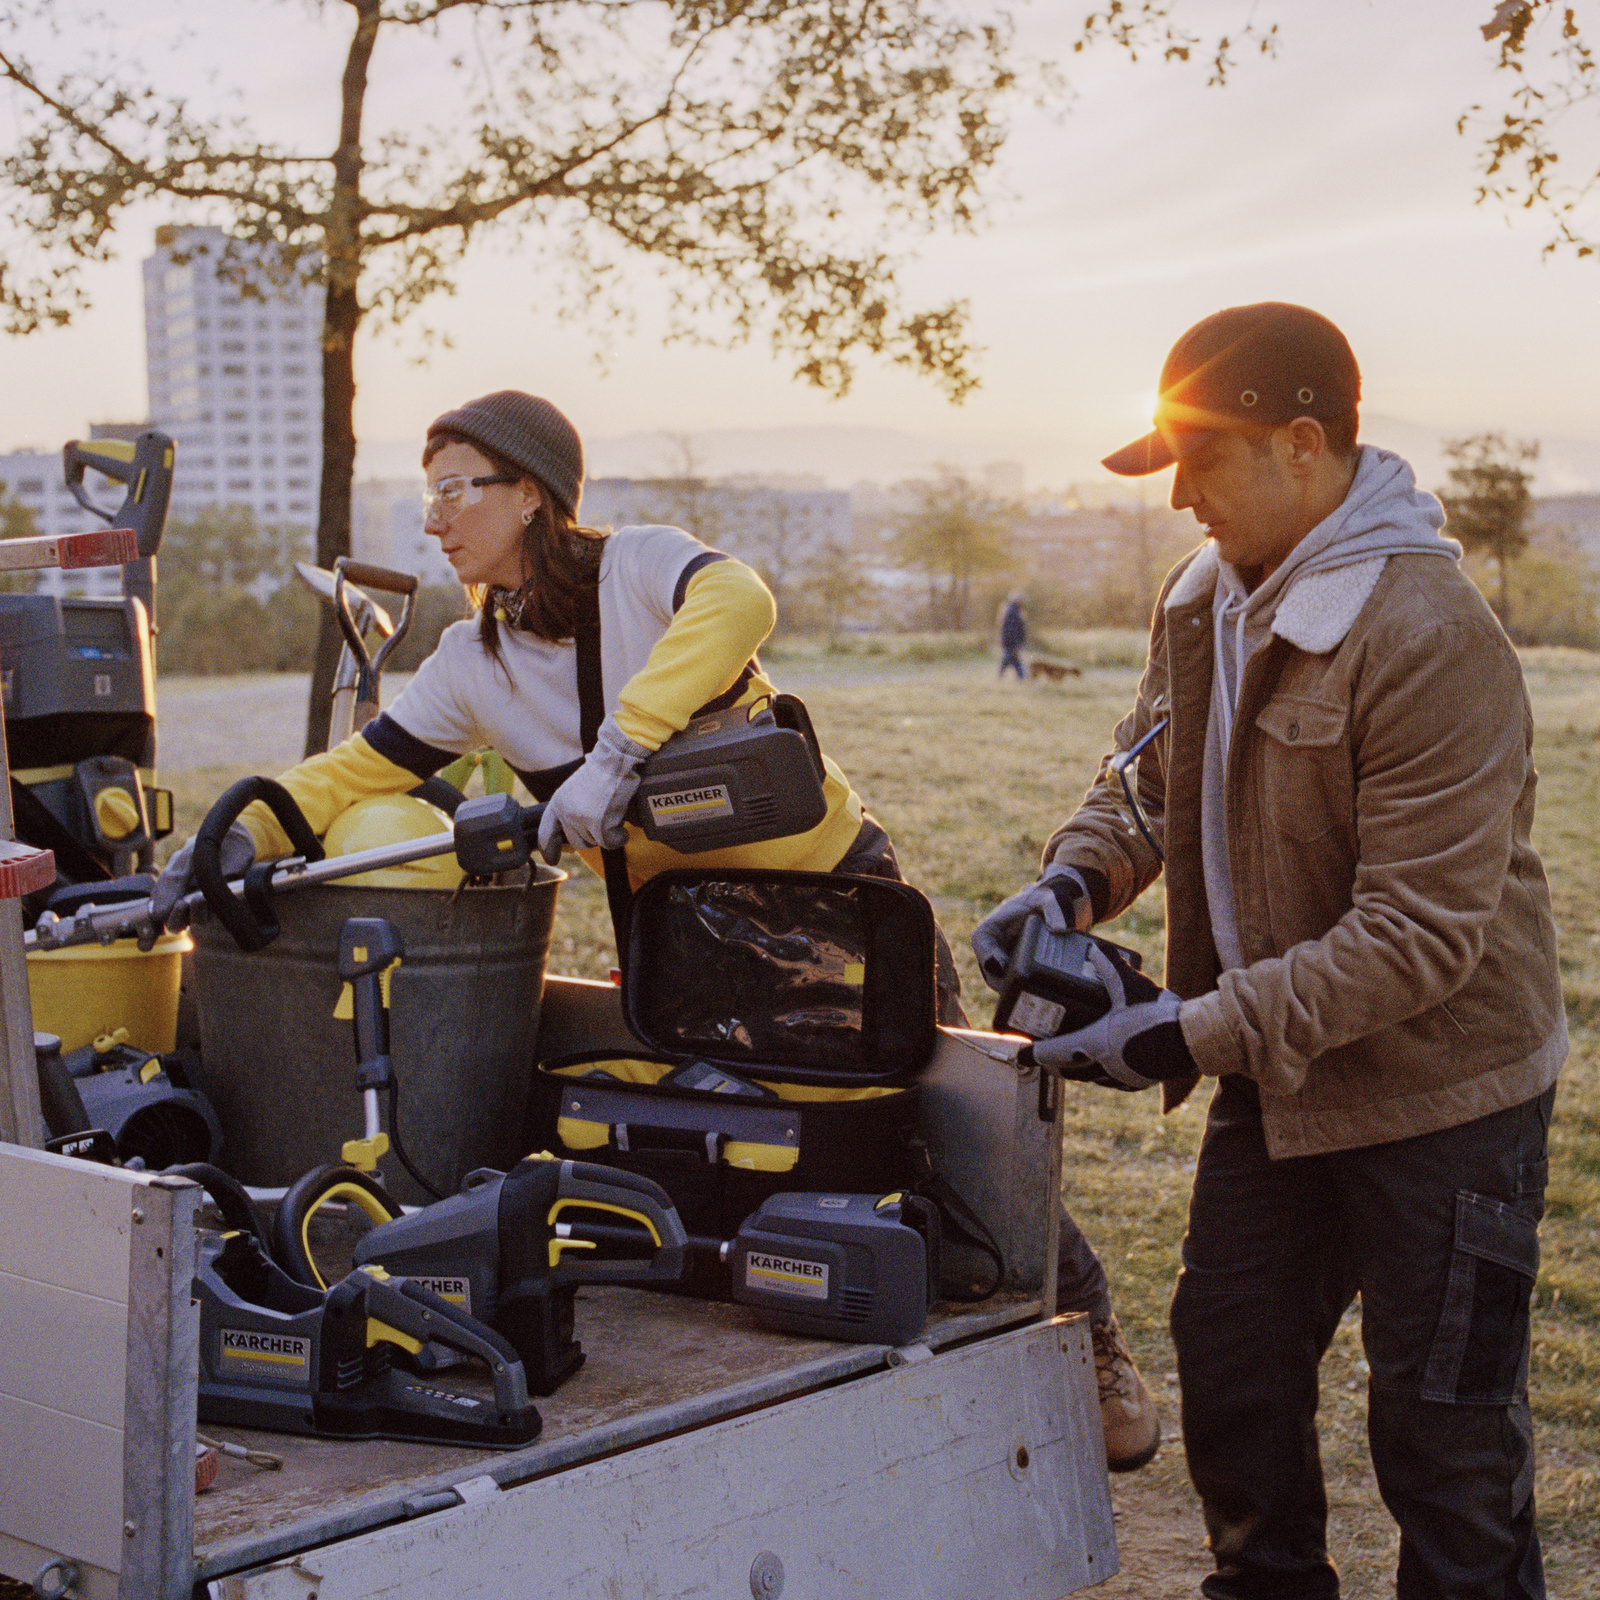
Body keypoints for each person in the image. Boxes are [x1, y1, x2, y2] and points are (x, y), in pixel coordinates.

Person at [153, 389, 1157, 1469]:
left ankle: (1090, 1339)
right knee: (771, 1154)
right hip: (686, 950)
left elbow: (742, 602)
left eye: (454, 489)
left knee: (952, 1122)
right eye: (426, 494)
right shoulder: (471, 668)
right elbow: (350, 772)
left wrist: (619, 751)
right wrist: (227, 836)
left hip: (834, 901)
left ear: (530, 493)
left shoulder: (639, 568)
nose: (434, 520)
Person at [972, 302, 1566, 1599]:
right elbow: (1139, 781)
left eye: (1203, 460)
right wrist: (1072, 883)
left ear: (1306, 445)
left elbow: (1418, 940)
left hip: (1445, 1096)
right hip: (1279, 1085)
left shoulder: (1429, 635)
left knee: (1446, 1449)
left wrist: (1178, 1034)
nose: (1178, 496)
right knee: (1235, 1384)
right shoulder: (1202, 599)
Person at [997, 592, 1028, 678]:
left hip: (1009, 640)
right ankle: (1021, 677)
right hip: (1011, 641)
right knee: (1010, 658)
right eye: (1022, 601)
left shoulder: (1012, 610)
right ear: (1017, 601)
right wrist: (1016, 642)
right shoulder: (1013, 612)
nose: (1023, 602)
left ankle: (1021, 677)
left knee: (1013, 659)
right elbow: (1012, 629)